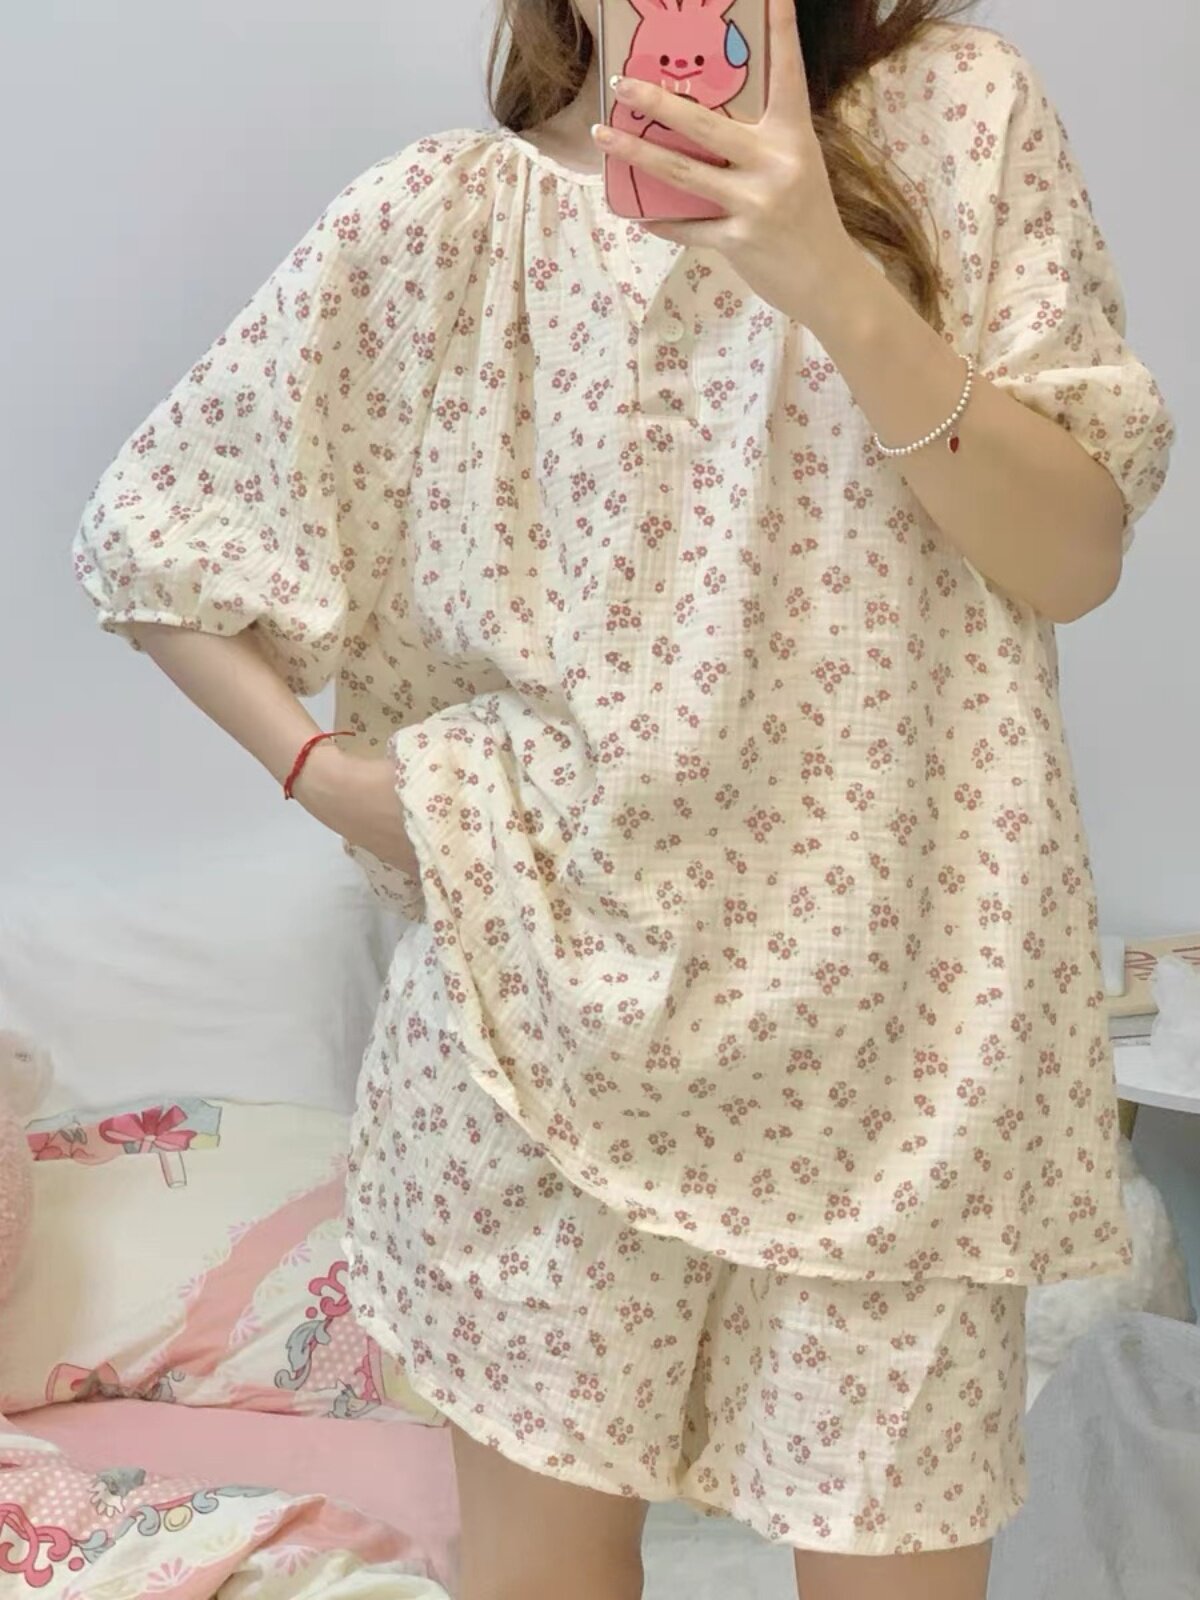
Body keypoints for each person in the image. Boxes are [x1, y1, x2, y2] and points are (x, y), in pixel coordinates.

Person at [71, 0, 1173, 1595]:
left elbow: (1074, 556)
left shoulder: (963, 114)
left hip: (904, 1067)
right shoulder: (447, 219)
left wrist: (823, 267)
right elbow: (155, 536)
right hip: (536, 1041)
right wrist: (329, 782)